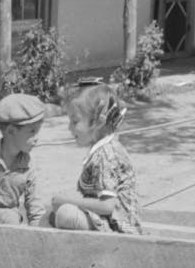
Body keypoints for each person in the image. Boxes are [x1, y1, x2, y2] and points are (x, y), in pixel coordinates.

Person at [47, 82, 142, 233]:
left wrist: (69, 201)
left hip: (118, 227)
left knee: (65, 213)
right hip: (107, 221)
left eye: (75, 121)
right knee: (55, 214)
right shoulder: (104, 148)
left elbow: (107, 206)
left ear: (98, 122)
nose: (69, 128)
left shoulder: (106, 156)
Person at [0, 92, 46, 226]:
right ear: (11, 131)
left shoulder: (28, 166)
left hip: (10, 220)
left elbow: (36, 208)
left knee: (10, 217)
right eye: (32, 132)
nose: (36, 138)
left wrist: (39, 232)